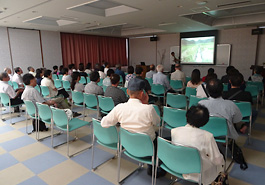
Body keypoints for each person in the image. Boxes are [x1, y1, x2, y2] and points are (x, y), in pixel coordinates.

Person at [101, 77, 164, 177]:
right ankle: (153, 168)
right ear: (142, 93)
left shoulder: (119, 107)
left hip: (128, 146)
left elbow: (104, 123)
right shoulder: (149, 109)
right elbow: (157, 122)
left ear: (127, 91)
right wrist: (146, 104)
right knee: (159, 138)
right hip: (147, 149)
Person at [171, 105, 224, 185]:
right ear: (205, 121)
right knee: (219, 158)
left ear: (187, 115)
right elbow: (217, 160)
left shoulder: (174, 131)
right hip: (199, 173)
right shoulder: (207, 136)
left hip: (177, 166)